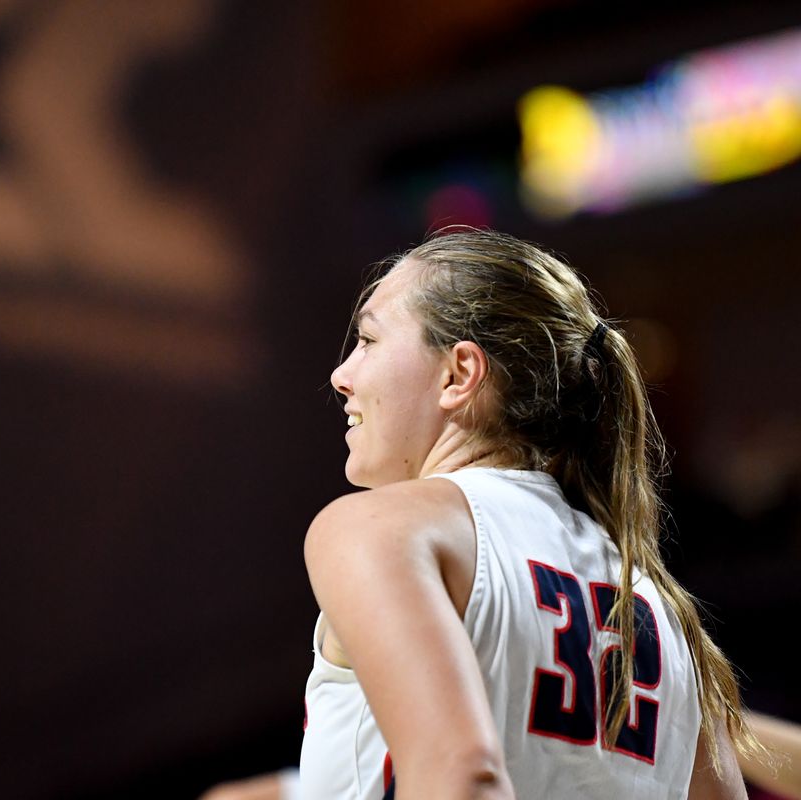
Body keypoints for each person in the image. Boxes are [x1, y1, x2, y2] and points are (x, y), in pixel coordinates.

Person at [202, 230, 761, 800]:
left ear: (459, 374)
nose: (342, 375)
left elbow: (464, 776)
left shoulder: (379, 528)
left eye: (368, 339)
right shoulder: (664, 608)